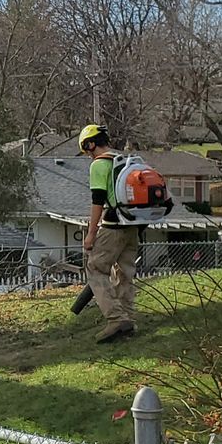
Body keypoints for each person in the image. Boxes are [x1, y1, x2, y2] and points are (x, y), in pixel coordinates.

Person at [79, 124, 138, 343]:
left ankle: (116, 319)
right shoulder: (126, 161)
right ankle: (128, 320)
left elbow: (97, 202)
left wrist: (91, 234)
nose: (87, 155)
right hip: (133, 224)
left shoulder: (99, 164)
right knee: (125, 273)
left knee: (95, 268)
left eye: (86, 150)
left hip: (114, 224)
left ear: (91, 144)